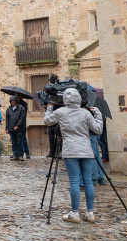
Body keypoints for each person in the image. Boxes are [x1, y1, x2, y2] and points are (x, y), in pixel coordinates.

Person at [44, 88, 103, 224]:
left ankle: (75, 213)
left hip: (70, 150)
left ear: (65, 99)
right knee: (88, 181)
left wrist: (49, 108)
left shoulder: (60, 112)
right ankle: (90, 213)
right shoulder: (86, 113)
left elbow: (47, 121)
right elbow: (98, 129)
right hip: (86, 151)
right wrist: (98, 114)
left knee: (75, 182)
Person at [6, 96, 26, 161]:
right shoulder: (8, 109)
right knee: (14, 142)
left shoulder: (21, 108)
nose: (13, 102)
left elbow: (22, 118)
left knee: (19, 142)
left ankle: (20, 155)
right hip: (11, 128)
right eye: (11, 101)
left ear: (16, 101)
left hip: (19, 128)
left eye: (14, 101)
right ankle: (15, 155)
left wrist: (17, 125)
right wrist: (7, 128)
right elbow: (7, 119)